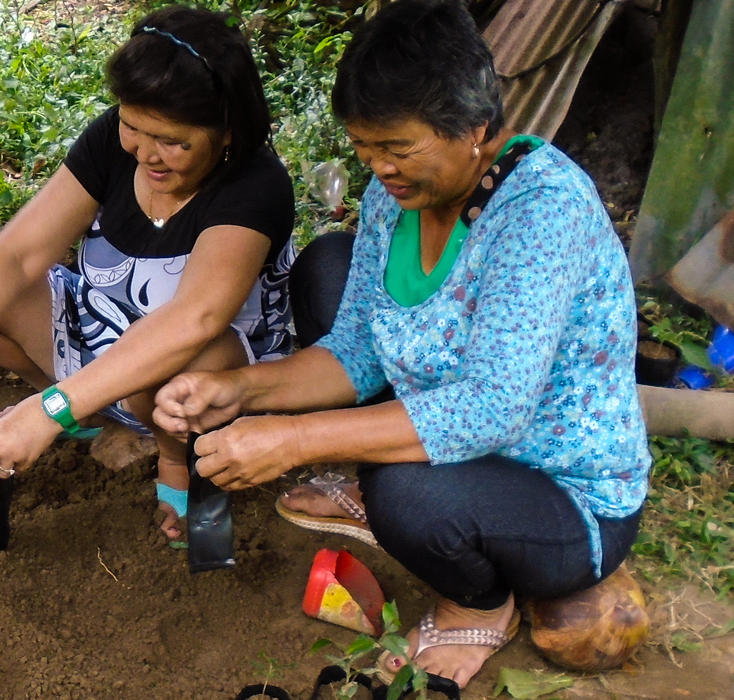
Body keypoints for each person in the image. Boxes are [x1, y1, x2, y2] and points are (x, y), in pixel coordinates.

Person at [153, 0, 650, 688]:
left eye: (397, 148)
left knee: (406, 497)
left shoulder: (542, 212)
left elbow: (489, 409)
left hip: (561, 490)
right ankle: (387, 474)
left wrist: (294, 441)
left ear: (476, 129)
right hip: (458, 420)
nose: (378, 167)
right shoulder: (398, 195)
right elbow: (357, 348)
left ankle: (479, 602)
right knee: (327, 265)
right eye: (365, 147)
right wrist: (240, 390)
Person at [0, 6, 295, 544]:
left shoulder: (254, 184)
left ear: (226, 133)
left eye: (172, 141)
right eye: (132, 127)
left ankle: (173, 461)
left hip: (202, 374)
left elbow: (195, 319)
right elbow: (16, 256)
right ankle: (91, 415)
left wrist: (48, 413)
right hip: (102, 332)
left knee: (186, 369)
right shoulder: (114, 143)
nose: (146, 154)